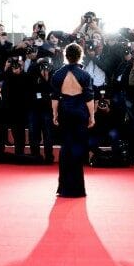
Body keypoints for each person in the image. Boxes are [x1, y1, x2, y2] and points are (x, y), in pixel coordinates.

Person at [51, 43, 95, 198]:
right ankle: (76, 189)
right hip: (80, 113)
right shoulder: (85, 75)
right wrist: (92, 116)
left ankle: (63, 188)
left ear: (65, 56)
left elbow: (55, 97)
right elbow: (89, 98)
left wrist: (54, 114)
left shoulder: (57, 74)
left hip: (65, 112)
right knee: (77, 147)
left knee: (66, 147)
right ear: (80, 56)